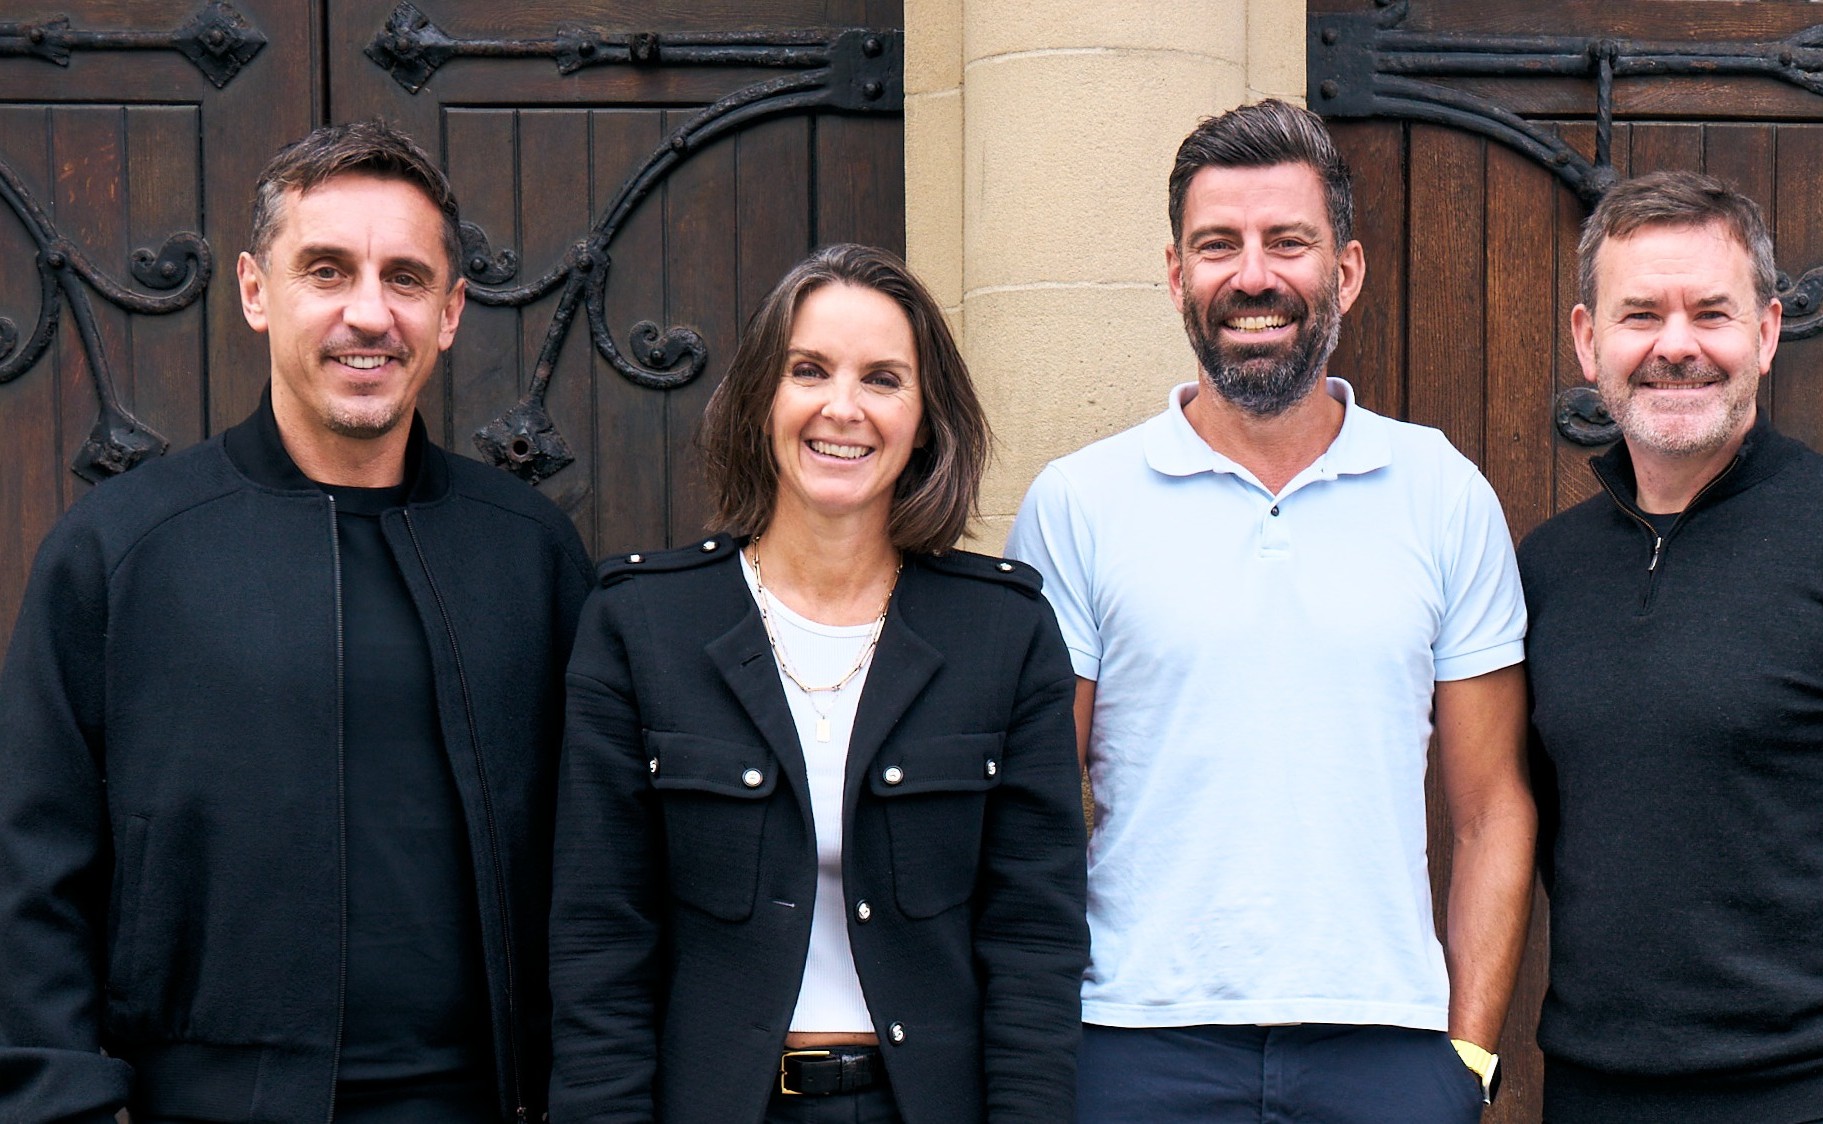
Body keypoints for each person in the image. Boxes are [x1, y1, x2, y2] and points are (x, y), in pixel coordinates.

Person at [0, 121, 592, 1121]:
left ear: (450, 312)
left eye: (405, 278)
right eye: (326, 270)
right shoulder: (120, 549)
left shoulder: (530, 553)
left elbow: (602, 869)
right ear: (255, 290)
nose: (369, 313)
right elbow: (31, 870)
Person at [1005, 99, 1533, 1122]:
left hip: (1388, 1044)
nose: (1253, 276)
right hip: (1132, 1041)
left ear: (1346, 271)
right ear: (1175, 276)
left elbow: (1490, 806)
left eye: (1287, 241)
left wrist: (1465, 1052)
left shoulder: (1441, 491)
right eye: (1218, 245)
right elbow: (1032, 808)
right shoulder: (1078, 502)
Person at [547, 242, 1089, 1124]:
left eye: (883, 378)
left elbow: (1034, 941)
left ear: (925, 417)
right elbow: (601, 941)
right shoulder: (642, 625)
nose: (844, 408)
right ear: (765, 395)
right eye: (810, 370)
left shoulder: (1004, 634)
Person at [1519, 168, 1823, 1124]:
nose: (1677, 346)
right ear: (1587, 340)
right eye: (1640, 314)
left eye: (1713, 312)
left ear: (1769, 333)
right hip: (1594, 1095)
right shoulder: (1547, 571)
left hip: (1820, 1098)